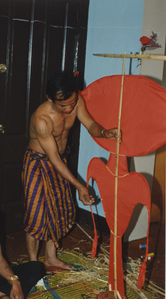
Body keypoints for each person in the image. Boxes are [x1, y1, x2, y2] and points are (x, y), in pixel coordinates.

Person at [21, 71, 121, 271]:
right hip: (38, 163)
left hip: (60, 160)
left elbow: (91, 124)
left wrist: (104, 132)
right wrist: (79, 186)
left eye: (72, 103)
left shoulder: (76, 101)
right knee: (36, 215)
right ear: (50, 98)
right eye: (63, 105)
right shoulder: (42, 119)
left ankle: (51, 257)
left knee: (57, 210)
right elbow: (53, 158)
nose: (69, 109)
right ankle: (33, 265)